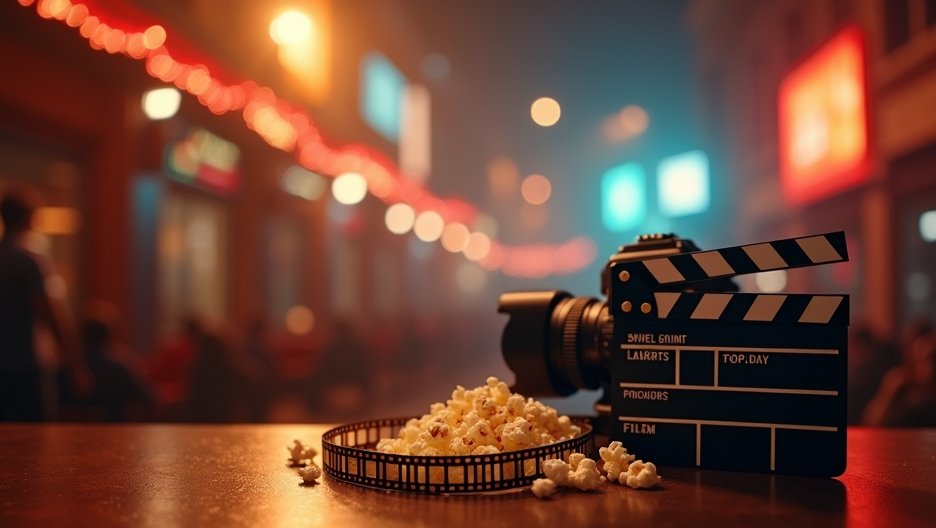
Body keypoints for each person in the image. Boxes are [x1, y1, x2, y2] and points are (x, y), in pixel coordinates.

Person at [0, 186, 90, 421]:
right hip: (26, 364)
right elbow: (49, 312)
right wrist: (74, 364)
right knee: (35, 441)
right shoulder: (30, 260)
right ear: (30, 218)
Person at [76, 301, 155, 421]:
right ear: (108, 337)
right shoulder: (118, 370)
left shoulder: (66, 370)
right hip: (113, 433)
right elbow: (147, 399)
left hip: (72, 434)